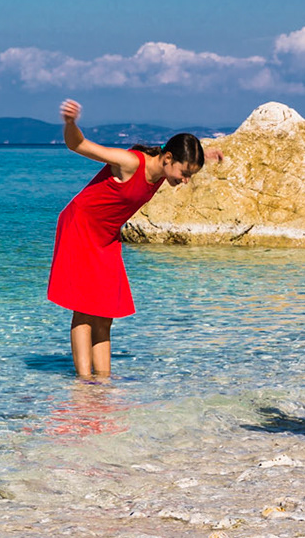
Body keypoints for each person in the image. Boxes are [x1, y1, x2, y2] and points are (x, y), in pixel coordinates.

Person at [48, 99, 206, 379]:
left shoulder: (164, 169)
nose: (185, 181)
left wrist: (212, 152)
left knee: (106, 310)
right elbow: (78, 146)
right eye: (185, 174)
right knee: (84, 309)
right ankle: (84, 383)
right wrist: (71, 124)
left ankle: (104, 380)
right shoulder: (131, 163)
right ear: (168, 159)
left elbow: (183, 151)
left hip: (107, 237)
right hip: (80, 227)